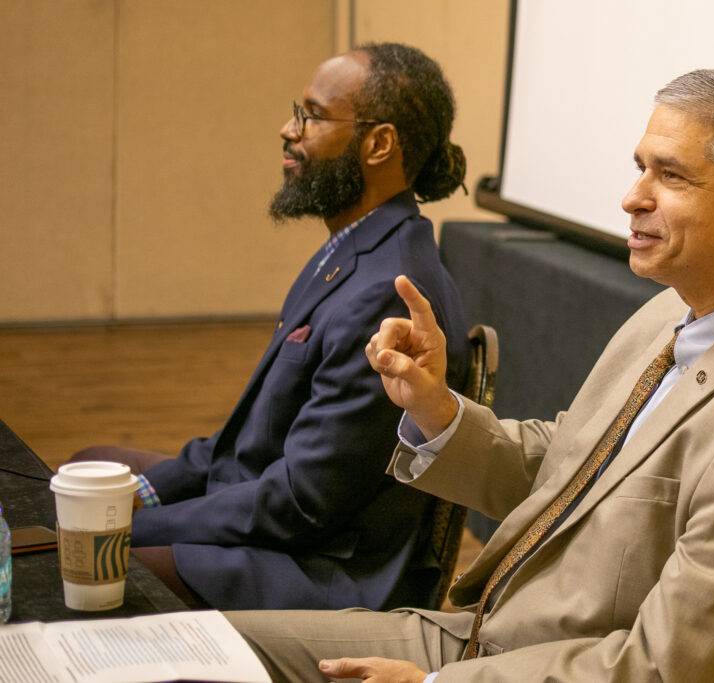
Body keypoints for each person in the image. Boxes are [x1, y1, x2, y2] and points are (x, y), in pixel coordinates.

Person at [226, 68, 714, 682]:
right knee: (199, 645)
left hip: (513, 668)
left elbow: (668, 668)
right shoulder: (672, 312)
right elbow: (568, 465)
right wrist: (435, 407)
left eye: (672, 176)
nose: (633, 197)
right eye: (639, 168)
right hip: (487, 644)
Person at [70, 43, 470, 611]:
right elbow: (251, 434)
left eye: (311, 115)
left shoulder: (386, 291)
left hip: (320, 571)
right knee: (92, 467)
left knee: (101, 562)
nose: (289, 129)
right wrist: (148, 495)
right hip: (272, 504)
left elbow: (303, 505)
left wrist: (139, 526)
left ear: (378, 143)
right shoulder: (354, 248)